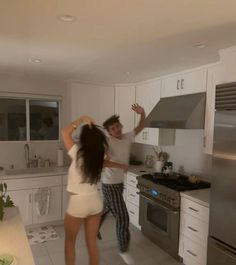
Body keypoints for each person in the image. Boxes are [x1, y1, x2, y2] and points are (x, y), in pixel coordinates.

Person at [99, 103, 145, 265]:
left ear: (120, 126)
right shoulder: (107, 142)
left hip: (118, 183)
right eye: (112, 128)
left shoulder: (127, 137)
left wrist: (142, 113)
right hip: (109, 184)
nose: (116, 130)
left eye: (117, 126)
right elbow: (102, 162)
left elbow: (141, 126)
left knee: (107, 207)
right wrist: (121, 166)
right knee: (123, 217)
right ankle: (123, 250)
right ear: (109, 132)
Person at [61, 115, 108, 265]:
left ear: (83, 139)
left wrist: (81, 119)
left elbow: (64, 132)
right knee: (92, 244)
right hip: (95, 201)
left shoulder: (77, 153)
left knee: (69, 243)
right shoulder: (100, 156)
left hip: (78, 203)